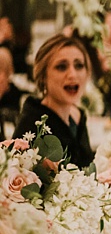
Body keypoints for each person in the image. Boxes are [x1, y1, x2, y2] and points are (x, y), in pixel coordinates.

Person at [13, 34, 95, 166]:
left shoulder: (78, 115)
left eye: (79, 65)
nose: (72, 74)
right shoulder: (33, 123)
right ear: (43, 75)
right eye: (62, 67)